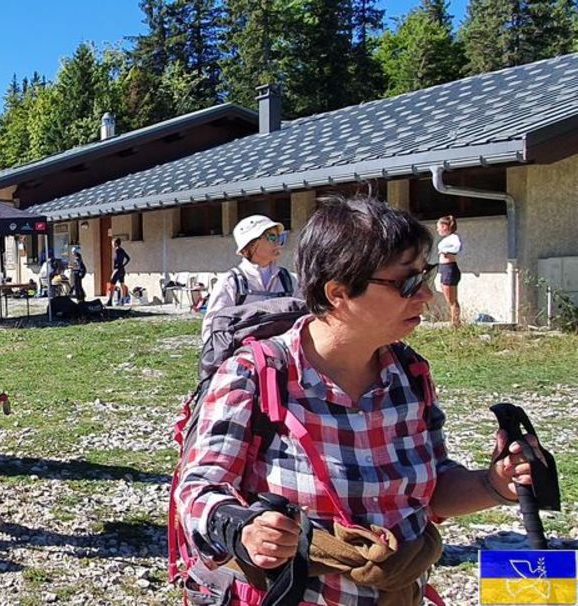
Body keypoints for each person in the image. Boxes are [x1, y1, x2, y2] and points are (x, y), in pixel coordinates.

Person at [174, 197, 538, 605]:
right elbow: (198, 489)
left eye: (427, 275)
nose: (426, 294)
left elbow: (431, 488)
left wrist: (495, 483)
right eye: (407, 282)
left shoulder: (410, 373)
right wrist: (244, 528)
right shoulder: (256, 374)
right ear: (338, 292)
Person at [201, 215, 299, 342]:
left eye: (280, 237)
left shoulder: (290, 281)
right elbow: (212, 330)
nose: (278, 243)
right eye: (272, 237)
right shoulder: (231, 282)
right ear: (251, 244)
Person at [436, 215, 462, 328]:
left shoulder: (454, 237)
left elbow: (458, 248)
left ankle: (455, 324)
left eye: (439, 227)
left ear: (445, 226)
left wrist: (445, 250)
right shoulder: (446, 239)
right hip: (444, 268)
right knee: (448, 298)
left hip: (449, 269)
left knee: (452, 300)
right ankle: (454, 322)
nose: (437, 229)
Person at [106, 238, 131, 306]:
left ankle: (110, 301)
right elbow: (128, 258)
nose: (112, 244)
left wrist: (115, 269)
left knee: (112, 285)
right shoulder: (122, 250)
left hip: (117, 270)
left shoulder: (117, 251)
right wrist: (123, 265)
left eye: (113, 243)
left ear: (116, 243)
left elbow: (116, 261)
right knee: (122, 284)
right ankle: (123, 300)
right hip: (122, 270)